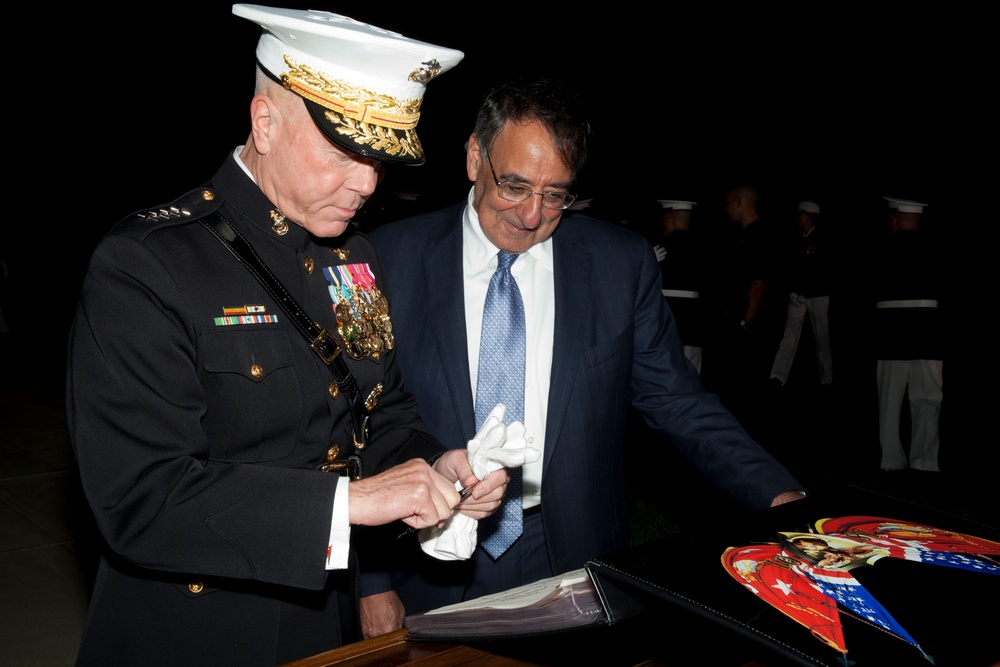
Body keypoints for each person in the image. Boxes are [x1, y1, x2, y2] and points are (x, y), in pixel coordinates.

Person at [66, 7, 510, 665]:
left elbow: (379, 411)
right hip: (195, 633)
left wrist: (434, 463)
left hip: (322, 622)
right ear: (265, 122)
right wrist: (351, 502)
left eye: (379, 159)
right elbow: (141, 499)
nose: (366, 183)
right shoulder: (148, 264)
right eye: (343, 151)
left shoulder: (353, 262)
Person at [361, 75, 807, 633]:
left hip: (573, 554)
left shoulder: (620, 265)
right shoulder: (385, 260)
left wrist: (774, 493)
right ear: (475, 157)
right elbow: (360, 423)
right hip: (426, 556)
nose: (531, 215)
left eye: (555, 194)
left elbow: (675, 400)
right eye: (516, 186)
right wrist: (373, 583)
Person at [701, 182, 785, 440]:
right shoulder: (746, 235)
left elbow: (758, 286)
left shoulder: (760, 235)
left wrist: (744, 323)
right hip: (747, 323)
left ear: (739, 202)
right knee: (739, 387)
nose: (726, 209)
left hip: (751, 326)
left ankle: (745, 438)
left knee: (745, 386)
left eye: (728, 203)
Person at [871, 196, 944, 472]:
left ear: (895, 218)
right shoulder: (936, 248)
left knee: (890, 400)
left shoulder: (882, 248)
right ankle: (924, 461)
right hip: (927, 330)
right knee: (928, 397)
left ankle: (890, 460)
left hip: (892, 331)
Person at [768, 200, 834, 387]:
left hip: (818, 295)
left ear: (810, 216)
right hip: (798, 295)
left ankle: (827, 378)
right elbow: (791, 268)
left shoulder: (823, 238)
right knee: (789, 334)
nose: (797, 217)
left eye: (801, 213)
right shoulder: (796, 238)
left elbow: (824, 271)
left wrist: (806, 290)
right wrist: (793, 291)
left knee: (822, 337)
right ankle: (778, 376)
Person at [651, 199, 710, 374]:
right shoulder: (704, 247)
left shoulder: (658, 246)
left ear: (671, 219)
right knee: (691, 371)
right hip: (693, 322)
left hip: (665, 317)